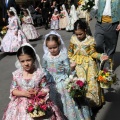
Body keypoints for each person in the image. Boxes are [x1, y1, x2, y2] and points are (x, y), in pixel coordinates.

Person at [2, 43, 63, 120]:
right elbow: (13, 90)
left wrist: (37, 93)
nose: (26, 64)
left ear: (34, 58)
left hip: (38, 102)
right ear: (19, 61)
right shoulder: (16, 74)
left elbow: (46, 88)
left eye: (28, 60)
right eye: (22, 61)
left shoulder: (39, 74)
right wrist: (23, 93)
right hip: (20, 104)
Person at [42, 30, 92, 120]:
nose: (52, 50)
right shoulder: (46, 57)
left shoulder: (63, 56)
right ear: (47, 47)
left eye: (54, 47)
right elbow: (44, 68)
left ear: (59, 44)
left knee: (67, 101)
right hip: (51, 82)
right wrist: (45, 76)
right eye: (50, 48)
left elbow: (68, 70)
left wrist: (71, 68)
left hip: (63, 81)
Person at [68, 20, 108, 108]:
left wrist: (100, 56)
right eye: (77, 34)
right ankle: (81, 103)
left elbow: (92, 53)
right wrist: (71, 61)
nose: (78, 36)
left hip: (89, 64)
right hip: (77, 65)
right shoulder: (73, 39)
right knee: (78, 84)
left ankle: (92, 103)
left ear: (85, 30)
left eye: (80, 34)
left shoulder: (91, 40)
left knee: (91, 83)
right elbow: (70, 53)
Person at [91, 0, 120, 68]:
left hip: (113, 24)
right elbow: (95, 6)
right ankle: (101, 59)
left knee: (110, 47)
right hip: (100, 23)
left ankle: (107, 69)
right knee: (97, 44)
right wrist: (90, 15)